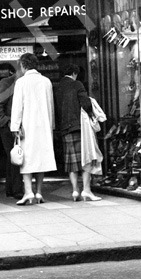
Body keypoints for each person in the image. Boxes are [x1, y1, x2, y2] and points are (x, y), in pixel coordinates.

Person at [10, 53, 55, 205]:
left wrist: (15, 126)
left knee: (26, 159)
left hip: (27, 126)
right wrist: (51, 125)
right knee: (41, 158)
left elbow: (17, 107)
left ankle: (28, 192)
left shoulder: (21, 82)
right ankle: (39, 192)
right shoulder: (46, 81)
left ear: (23, 65)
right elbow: (51, 106)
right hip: (44, 125)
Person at [53, 64, 100, 201]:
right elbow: (85, 103)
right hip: (79, 128)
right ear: (75, 73)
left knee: (71, 162)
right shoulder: (77, 84)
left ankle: (74, 190)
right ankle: (86, 190)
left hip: (65, 128)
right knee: (86, 159)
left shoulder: (58, 87)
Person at [0, 64, 24, 199]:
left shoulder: (19, 83)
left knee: (13, 158)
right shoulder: (7, 83)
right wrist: (8, 121)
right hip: (7, 127)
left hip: (12, 125)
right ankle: (16, 190)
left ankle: (12, 189)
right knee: (16, 157)